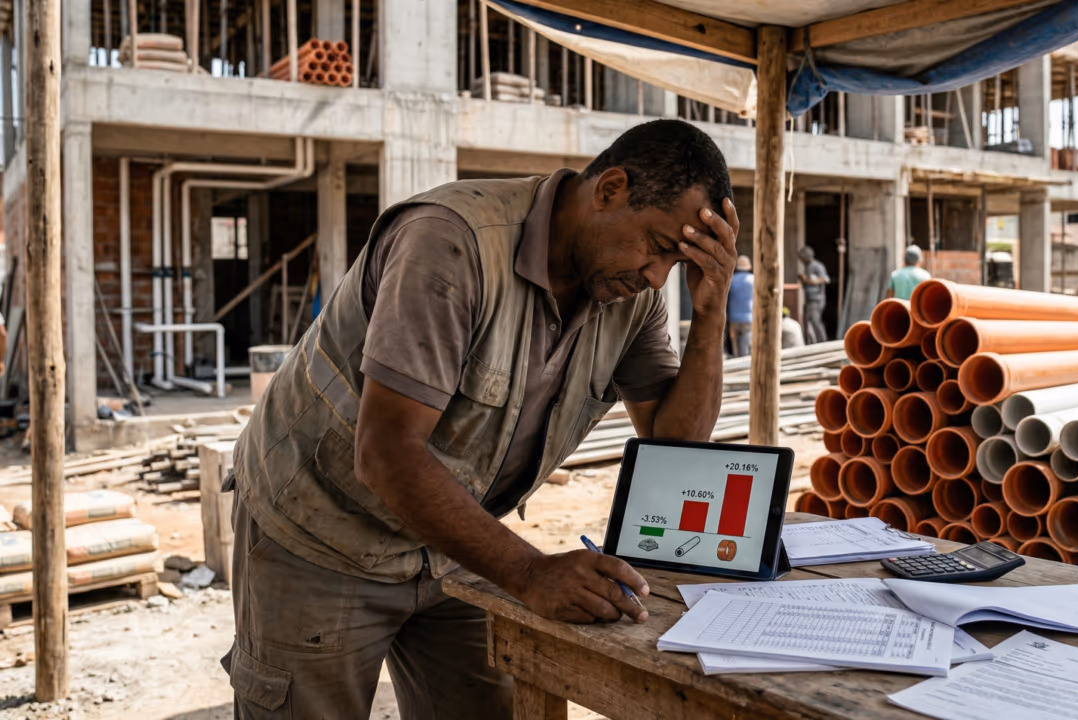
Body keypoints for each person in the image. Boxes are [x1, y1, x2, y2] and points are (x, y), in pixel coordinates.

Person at [222, 119, 739, 719]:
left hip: (452, 543)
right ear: (610, 188)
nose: (656, 276)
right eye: (656, 246)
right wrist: (528, 572)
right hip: (320, 532)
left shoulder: (632, 296)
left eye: (676, 263)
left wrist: (709, 314)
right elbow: (387, 454)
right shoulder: (450, 242)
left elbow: (673, 450)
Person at [798, 246, 830, 344]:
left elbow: (825, 279)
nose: (801, 260)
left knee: (815, 321)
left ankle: (823, 342)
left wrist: (807, 281)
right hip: (809, 299)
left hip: (816, 299)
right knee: (809, 322)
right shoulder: (807, 267)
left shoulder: (817, 266)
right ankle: (812, 342)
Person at [727, 255, 754, 357]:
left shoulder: (732, 280)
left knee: (736, 347)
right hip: (749, 317)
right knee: (746, 345)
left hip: (733, 316)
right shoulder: (754, 279)